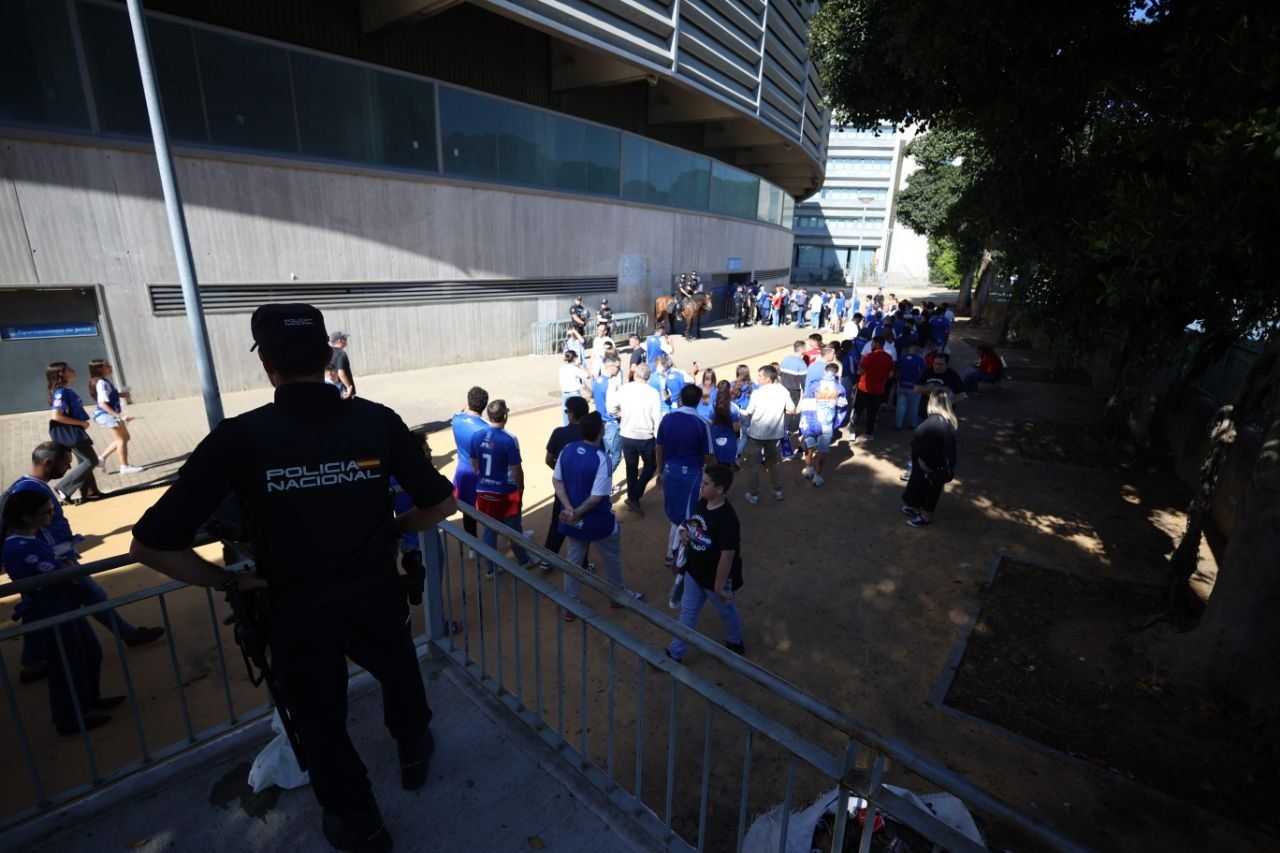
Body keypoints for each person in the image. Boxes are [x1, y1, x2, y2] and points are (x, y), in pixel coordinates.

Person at [129, 303, 456, 851]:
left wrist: (225, 582)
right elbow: (442, 505)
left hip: (293, 611)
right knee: (400, 673)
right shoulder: (377, 420)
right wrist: (396, 528)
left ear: (268, 368)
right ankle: (413, 749)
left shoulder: (240, 438)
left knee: (321, 723)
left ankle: (360, 823)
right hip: (374, 594)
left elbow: (150, 543)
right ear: (330, 356)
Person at [1, 443, 165, 684]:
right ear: (48, 463)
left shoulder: (30, 487)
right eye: (66, 462)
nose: (69, 467)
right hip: (52, 562)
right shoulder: (31, 492)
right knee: (90, 595)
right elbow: (37, 532)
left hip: (50, 561)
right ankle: (127, 635)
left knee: (37, 612)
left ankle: (32, 664)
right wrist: (59, 560)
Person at [2, 490, 124, 735]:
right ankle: (69, 717)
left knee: (89, 653)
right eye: (46, 511)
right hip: (49, 610)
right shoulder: (19, 547)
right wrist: (66, 566)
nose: (52, 514)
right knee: (68, 663)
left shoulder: (31, 538)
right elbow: (54, 571)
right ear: (27, 517)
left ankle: (88, 700)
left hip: (63, 605)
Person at [554, 413, 645, 622]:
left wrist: (569, 510)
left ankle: (571, 604)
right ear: (600, 432)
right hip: (598, 521)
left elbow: (557, 481)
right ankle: (617, 597)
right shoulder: (601, 458)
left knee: (574, 560)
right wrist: (576, 512)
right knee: (611, 559)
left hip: (572, 519)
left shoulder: (567, 450)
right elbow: (596, 498)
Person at [664, 465, 745, 662]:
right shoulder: (703, 502)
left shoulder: (727, 518)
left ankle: (736, 641)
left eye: (706, 483)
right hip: (695, 571)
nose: (701, 486)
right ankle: (675, 653)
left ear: (720, 489)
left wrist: (718, 586)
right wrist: (685, 532)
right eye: (702, 481)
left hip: (718, 578)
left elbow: (727, 555)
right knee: (688, 612)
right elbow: (695, 523)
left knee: (727, 612)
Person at [470, 400, 538, 576]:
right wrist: (521, 489)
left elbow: (474, 464)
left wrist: (485, 478)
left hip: (483, 491)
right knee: (513, 528)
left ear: (488, 415)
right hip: (505, 492)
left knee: (490, 529)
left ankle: (491, 569)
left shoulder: (477, 435)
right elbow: (517, 470)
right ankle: (524, 560)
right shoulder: (509, 439)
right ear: (505, 416)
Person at [656, 384, 715, 577]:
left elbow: (659, 447)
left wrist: (660, 472)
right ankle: (674, 556)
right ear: (698, 401)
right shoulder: (702, 423)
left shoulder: (668, 419)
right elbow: (709, 455)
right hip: (691, 475)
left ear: (681, 398)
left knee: (675, 513)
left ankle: (670, 553)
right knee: (686, 516)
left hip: (669, 471)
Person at [539, 396, 590, 572]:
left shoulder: (559, 433)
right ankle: (582, 564)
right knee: (583, 522)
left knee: (557, 521)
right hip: (585, 488)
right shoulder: (590, 434)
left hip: (563, 486)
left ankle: (547, 559)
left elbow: (548, 459)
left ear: (572, 414)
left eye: (568, 411)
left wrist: (561, 474)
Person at [46, 362, 103, 503]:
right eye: (69, 369)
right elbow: (56, 415)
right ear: (61, 374)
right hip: (70, 432)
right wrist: (81, 423)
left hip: (74, 431)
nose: (73, 370)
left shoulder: (65, 390)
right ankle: (63, 488)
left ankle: (89, 491)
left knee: (84, 461)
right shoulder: (61, 392)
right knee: (91, 461)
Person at [611, 362, 662, 515]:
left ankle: (633, 496)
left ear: (636, 374)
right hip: (646, 436)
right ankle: (634, 495)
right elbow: (657, 419)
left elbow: (612, 407)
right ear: (648, 377)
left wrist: (621, 416)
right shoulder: (653, 393)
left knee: (631, 467)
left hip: (626, 434)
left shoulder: (625, 388)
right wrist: (658, 438)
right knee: (651, 465)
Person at [902, 391, 959, 528]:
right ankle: (917, 509)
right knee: (923, 487)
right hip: (938, 465)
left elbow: (925, 445)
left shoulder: (934, 422)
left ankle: (925, 517)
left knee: (928, 488)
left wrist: (923, 462)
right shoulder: (946, 421)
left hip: (930, 466)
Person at [740, 365, 794, 505]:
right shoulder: (782, 391)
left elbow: (750, 411)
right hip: (775, 434)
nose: (757, 378)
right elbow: (791, 409)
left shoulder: (758, 393)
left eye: (760, 376)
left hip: (756, 435)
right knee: (773, 463)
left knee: (753, 465)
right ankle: (778, 491)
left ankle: (754, 494)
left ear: (768, 379)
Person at [86, 358, 142, 475]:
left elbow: (108, 396)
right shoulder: (101, 383)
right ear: (99, 369)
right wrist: (118, 416)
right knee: (122, 439)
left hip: (107, 415)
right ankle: (124, 466)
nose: (110, 367)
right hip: (107, 415)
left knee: (123, 438)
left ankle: (101, 459)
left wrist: (120, 394)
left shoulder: (103, 381)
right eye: (107, 365)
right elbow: (102, 402)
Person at [451, 387, 490, 549]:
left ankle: (472, 546)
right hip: (480, 474)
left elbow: (461, 412)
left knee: (468, 510)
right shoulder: (486, 428)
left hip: (462, 472)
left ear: (468, 402)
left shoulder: (456, 419)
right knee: (490, 510)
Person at [798, 364, 847, 487]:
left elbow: (805, 403)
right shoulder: (839, 388)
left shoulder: (814, 384)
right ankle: (817, 477)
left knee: (809, 446)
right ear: (836, 373)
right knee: (822, 450)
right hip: (826, 423)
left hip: (811, 421)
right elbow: (842, 408)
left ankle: (808, 468)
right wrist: (835, 422)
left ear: (824, 371)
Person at [853, 337, 894, 442]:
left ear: (876, 343)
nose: (871, 345)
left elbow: (860, 372)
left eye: (872, 343)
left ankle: (852, 432)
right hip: (878, 389)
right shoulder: (889, 358)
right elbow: (891, 374)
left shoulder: (868, 357)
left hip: (864, 388)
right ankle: (869, 433)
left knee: (857, 410)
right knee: (872, 412)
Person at [591, 355, 624, 472]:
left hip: (600, 422)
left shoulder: (597, 381)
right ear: (610, 365)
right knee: (616, 456)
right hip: (611, 422)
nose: (619, 369)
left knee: (603, 454)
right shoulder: (610, 383)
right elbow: (613, 407)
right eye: (617, 367)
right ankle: (602, 479)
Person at [895, 341, 928, 430]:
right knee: (914, 407)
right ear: (918, 350)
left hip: (902, 385)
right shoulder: (921, 361)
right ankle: (912, 424)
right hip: (915, 387)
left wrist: (898, 380)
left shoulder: (902, 358)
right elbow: (924, 374)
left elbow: (896, 370)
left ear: (909, 349)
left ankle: (898, 425)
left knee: (900, 406)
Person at [557, 351, 589, 426]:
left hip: (565, 394)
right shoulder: (574, 368)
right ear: (574, 358)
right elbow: (587, 375)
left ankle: (567, 432)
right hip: (575, 394)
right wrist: (580, 365)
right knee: (579, 415)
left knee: (566, 416)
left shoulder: (562, 368)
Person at [329, 331, 355, 399]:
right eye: (345, 338)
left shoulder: (329, 353)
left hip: (333, 388)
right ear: (339, 340)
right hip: (343, 390)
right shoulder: (341, 353)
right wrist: (348, 387)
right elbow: (340, 373)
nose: (346, 340)